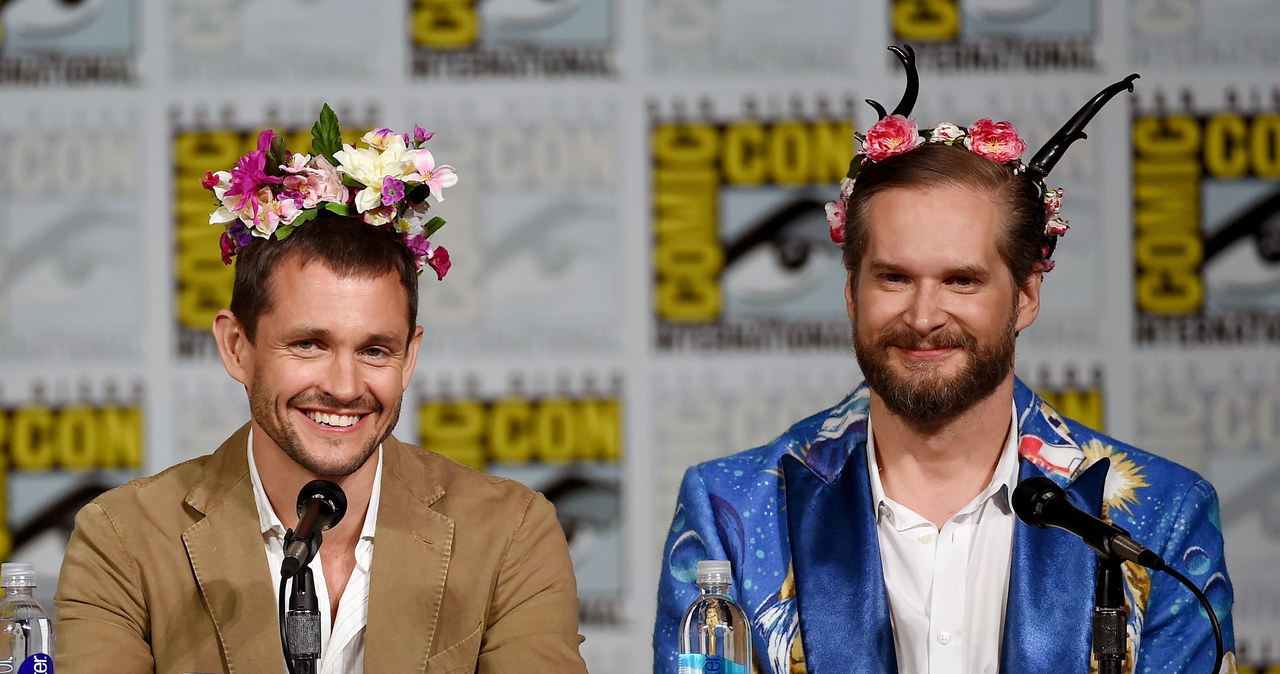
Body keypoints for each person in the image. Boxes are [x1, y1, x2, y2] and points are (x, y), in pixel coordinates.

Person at [654, 48, 1236, 674]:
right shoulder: (730, 511)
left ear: (1027, 295)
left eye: (961, 280)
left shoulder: (1159, 517)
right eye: (894, 278)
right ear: (851, 293)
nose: (925, 315)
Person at [54, 107, 587, 672]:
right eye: (308, 344)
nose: (343, 386)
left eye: (375, 350)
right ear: (237, 346)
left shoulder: (508, 534)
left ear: (409, 358)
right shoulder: (125, 541)